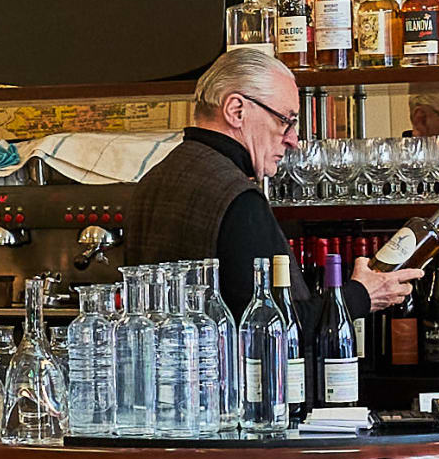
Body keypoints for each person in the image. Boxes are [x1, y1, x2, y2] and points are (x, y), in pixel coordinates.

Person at [130, 45, 415, 316]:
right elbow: (270, 327)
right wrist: (361, 296)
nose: (293, 140)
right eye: (285, 120)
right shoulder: (237, 196)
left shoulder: (152, 181)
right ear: (236, 110)